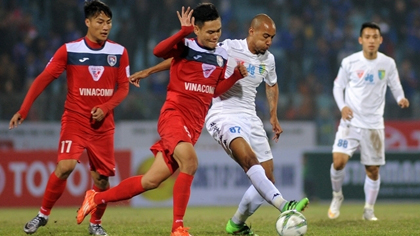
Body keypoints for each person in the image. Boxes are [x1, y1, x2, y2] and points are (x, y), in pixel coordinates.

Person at [128, 14, 310, 236]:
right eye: (265, 36)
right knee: (249, 161)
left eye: (272, 37)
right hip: (223, 113)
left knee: (267, 177)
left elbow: (272, 85)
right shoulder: (229, 47)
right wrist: (148, 71)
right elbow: (184, 59)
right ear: (251, 32)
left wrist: (273, 116)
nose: (269, 41)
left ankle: (236, 224)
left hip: (250, 116)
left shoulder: (268, 60)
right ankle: (284, 205)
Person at [76, 4, 247, 236]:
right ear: (196, 29)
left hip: (194, 125)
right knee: (191, 162)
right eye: (210, 32)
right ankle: (177, 227)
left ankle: (96, 197)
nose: (215, 36)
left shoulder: (221, 54)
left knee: (150, 181)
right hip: (173, 115)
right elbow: (159, 51)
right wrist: (181, 33)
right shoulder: (184, 46)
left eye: (218, 30)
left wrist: (235, 76)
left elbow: (214, 90)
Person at [8, 1, 130, 235]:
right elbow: (43, 78)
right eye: (100, 22)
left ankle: (95, 224)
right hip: (75, 120)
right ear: (87, 22)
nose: (105, 27)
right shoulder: (69, 50)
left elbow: (123, 88)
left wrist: (105, 107)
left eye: (109, 22)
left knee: (102, 180)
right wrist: (23, 109)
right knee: (65, 166)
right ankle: (42, 215)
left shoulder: (119, 51)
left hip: (103, 125)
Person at [328, 22, 410, 221]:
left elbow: (395, 84)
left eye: (375, 37)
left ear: (380, 40)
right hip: (350, 122)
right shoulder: (349, 62)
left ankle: (368, 209)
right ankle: (337, 196)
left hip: (374, 125)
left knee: (372, 170)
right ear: (360, 40)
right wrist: (343, 107)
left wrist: (400, 98)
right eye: (367, 37)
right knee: (338, 162)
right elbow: (338, 87)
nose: (371, 40)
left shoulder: (388, 63)